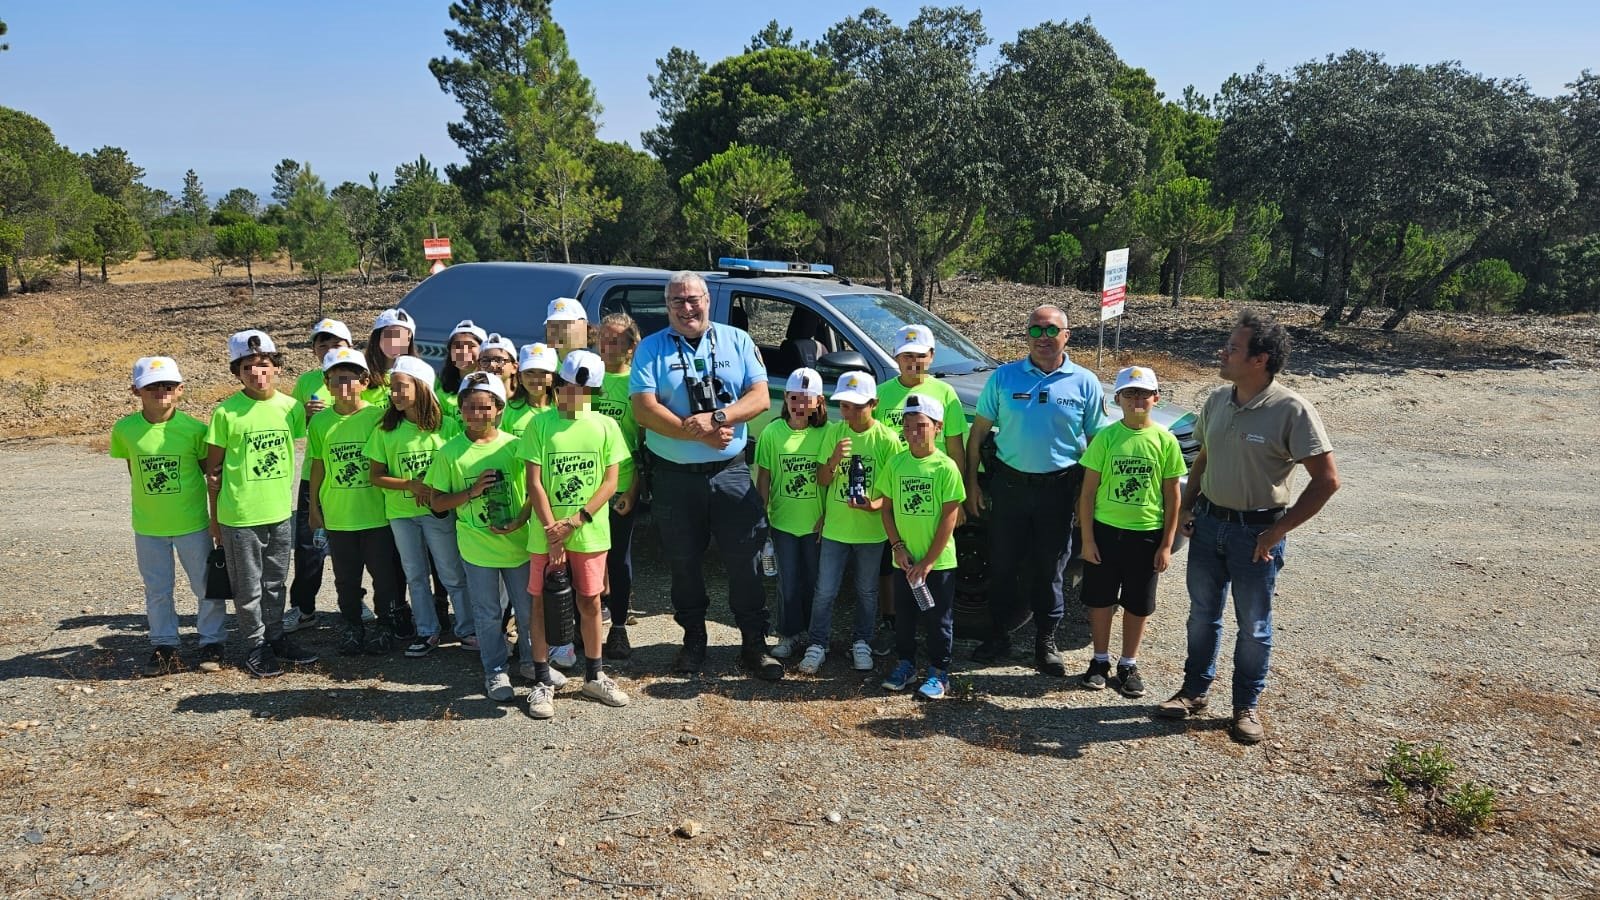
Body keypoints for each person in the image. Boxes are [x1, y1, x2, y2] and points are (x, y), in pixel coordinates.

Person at [1157, 310, 1339, 744]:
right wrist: (1189, 507)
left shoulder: (1292, 409)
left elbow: (1327, 481)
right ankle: (1194, 692)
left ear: (1260, 359)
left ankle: (1245, 706)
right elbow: (1203, 458)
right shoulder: (1217, 400)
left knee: (1254, 626)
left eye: (1233, 348)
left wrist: (1278, 532)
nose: (1223, 353)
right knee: (1202, 617)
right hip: (1209, 527)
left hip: (1257, 536)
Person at [629, 271, 782, 679]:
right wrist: (697, 433)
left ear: (707, 300)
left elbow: (759, 397)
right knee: (684, 563)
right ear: (667, 306)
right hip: (675, 478)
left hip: (729, 473)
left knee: (746, 559)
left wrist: (718, 418)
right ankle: (693, 641)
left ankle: (754, 644)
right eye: (677, 301)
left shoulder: (738, 340)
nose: (686, 308)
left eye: (693, 299)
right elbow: (643, 409)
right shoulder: (651, 348)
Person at [964, 305, 1105, 675]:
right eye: (1036, 330)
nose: (1043, 337)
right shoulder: (1003, 377)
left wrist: (1086, 497)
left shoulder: (1085, 382)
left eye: (1052, 330)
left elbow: (1097, 444)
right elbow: (977, 435)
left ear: (1066, 336)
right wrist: (971, 482)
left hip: (1058, 491)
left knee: (1049, 569)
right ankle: (998, 636)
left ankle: (1045, 642)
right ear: (1027, 334)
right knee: (1002, 564)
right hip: (1009, 487)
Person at [515, 350, 631, 718]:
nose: (575, 396)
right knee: (541, 603)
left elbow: (610, 482)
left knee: (591, 601)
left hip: (590, 533)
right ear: (559, 384)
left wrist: (576, 521)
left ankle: (594, 675)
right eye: (569, 387)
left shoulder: (606, 426)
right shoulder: (539, 425)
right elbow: (534, 483)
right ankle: (541, 680)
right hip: (545, 533)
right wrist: (554, 534)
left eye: (584, 391)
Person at [205, 329, 319, 677]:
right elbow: (213, 470)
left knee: (275, 581)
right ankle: (255, 644)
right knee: (248, 586)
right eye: (248, 368)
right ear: (237, 373)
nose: (257, 373)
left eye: (264, 365)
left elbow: (303, 439)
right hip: (240, 515)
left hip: (279, 511)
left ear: (277, 367)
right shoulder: (226, 413)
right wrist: (215, 520)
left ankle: (275, 636)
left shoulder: (290, 408)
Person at [111, 356, 228, 675]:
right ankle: (164, 644)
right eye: (152, 386)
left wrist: (216, 520)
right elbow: (134, 470)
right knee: (157, 589)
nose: (161, 391)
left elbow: (211, 476)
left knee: (205, 586)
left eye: (168, 385)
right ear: (136, 390)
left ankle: (212, 642)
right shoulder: (125, 430)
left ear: (180, 389)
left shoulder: (195, 430)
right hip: (149, 527)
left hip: (192, 524)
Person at [1076, 366, 1186, 697]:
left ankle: (1128, 663)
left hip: (1146, 535)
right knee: (1100, 599)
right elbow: (1088, 493)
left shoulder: (1165, 441)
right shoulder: (1107, 438)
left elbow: (1172, 496)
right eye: (1130, 393)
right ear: (1118, 399)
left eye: (1143, 394)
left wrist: (1166, 544)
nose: (1137, 400)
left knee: (1138, 603)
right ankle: (1099, 660)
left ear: (1156, 398)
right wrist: (1087, 539)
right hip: (1106, 532)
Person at [424, 372, 534, 703]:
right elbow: (436, 502)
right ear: (459, 409)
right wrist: (470, 492)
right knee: (487, 613)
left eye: (485, 407)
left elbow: (534, 490)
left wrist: (520, 520)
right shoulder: (450, 452)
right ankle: (495, 669)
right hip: (477, 548)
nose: (476, 414)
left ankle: (532, 662)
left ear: (499, 409)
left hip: (518, 544)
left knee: (527, 609)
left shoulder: (515, 446)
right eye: (469, 407)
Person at [871, 323, 970, 653]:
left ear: (931, 356)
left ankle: (933, 635)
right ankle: (891, 621)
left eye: (919, 355)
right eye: (905, 356)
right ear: (896, 358)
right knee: (890, 560)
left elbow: (955, 447)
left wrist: (960, 500)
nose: (912, 362)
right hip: (892, 487)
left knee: (930, 554)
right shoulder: (882, 394)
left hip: (934, 489)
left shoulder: (945, 393)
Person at [365, 355, 473, 657]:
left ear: (422, 387)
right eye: (392, 388)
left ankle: (467, 629)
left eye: (402, 386)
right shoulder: (385, 430)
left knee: (451, 573)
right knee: (415, 575)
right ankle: (427, 631)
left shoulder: (447, 427)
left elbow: (459, 466)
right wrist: (409, 485)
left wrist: (438, 487)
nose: (395, 394)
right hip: (402, 515)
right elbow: (376, 476)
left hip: (438, 514)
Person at [801, 371, 899, 675]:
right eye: (844, 406)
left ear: (874, 404)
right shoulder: (835, 432)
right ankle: (818, 643)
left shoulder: (887, 439)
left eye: (858, 406)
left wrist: (874, 505)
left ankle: (862, 641)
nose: (850, 413)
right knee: (825, 590)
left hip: (871, 532)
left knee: (867, 591)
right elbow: (822, 479)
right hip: (836, 529)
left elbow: (894, 491)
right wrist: (833, 460)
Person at [306, 348, 401, 656]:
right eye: (336, 380)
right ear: (327, 383)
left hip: (376, 514)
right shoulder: (320, 422)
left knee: (384, 576)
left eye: (350, 379)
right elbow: (318, 465)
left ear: (364, 381)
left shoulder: (378, 418)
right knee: (346, 579)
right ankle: (352, 626)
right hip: (339, 515)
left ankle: (385, 625)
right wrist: (313, 507)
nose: (343, 386)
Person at [874, 393, 966, 699]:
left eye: (921, 426)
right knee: (905, 617)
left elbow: (949, 518)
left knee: (938, 619)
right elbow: (886, 509)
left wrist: (928, 562)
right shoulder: (896, 463)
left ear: (938, 427)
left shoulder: (946, 467)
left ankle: (939, 673)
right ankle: (906, 664)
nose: (913, 432)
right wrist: (897, 547)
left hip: (937, 564)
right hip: (904, 561)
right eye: (908, 425)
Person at [754, 368, 828, 661]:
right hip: (783, 522)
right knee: (788, 581)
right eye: (794, 397)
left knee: (815, 581)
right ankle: (788, 633)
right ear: (785, 398)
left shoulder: (827, 433)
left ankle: (815, 635)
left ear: (819, 402)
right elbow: (764, 477)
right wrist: (761, 515)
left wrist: (828, 515)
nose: (800, 404)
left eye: (807, 399)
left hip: (815, 524)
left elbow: (831, 479)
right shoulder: (772, 433)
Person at [285, 317, 354, 632]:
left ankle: (354, 601)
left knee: (353, 543)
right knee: (308, 545)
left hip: (351, 473)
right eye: (322, 343)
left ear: (349, 345)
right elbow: (293, 428)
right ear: (313, 349)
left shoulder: (360, 375)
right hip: (314, 472)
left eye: (336, 343)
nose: (328, 348)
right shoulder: (307, 381)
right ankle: (303, 608)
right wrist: (305, 415)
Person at [593, 313, 644, 659]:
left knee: (617, 558)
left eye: (615, 341)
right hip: (585, 484)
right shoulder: (588, 378)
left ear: (630, 347)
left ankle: (620, 627)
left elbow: (643, 444)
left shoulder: (636, 384)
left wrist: (633, 489)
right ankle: (583, 624)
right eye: (602, 339)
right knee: (586, 558)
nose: (607, 346)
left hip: (621, 483)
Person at [437, 319, 487, 421]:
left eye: (470, 346)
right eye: (457, 346)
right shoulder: (441, 394)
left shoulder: (495, 388)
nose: (463, 351)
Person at [505, 340, 557, 437]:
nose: (536, 378)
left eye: (544, 372)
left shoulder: (564, 411)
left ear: (553, 377)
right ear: (520, 377)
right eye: (529, 372)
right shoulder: (507, 411)